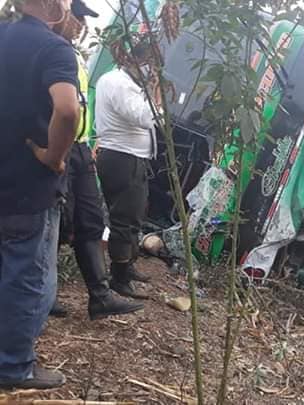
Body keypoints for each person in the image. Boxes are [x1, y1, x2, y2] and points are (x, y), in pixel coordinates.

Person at [0, 0, 80, 389]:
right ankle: (14, 366)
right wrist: (54, 155)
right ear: (54, 5)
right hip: (29, 186)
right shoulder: (53, 49)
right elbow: (67, 111)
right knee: (29, 279)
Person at [50, 0, 145, 319]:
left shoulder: (73, 56)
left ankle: (100, 296)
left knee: (91, 220)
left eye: (84, 20)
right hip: (56, 148)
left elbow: (80, 107)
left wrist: (89, 142)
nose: (80, 25)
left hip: (79, 148)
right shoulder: (45, 50)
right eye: (76, 17)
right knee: (56, 224)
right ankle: (45, 293)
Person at [95, 41, 157, 300]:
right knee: (124, 218)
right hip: (122, 158)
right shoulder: (117, 83)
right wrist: (156, 94)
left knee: (134, 216)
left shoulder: (129, 84)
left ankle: (127, 265)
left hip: (132, 158)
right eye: (149, 64)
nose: (152, 71)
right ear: (135, 60)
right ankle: (118, 277)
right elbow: (144, 117)